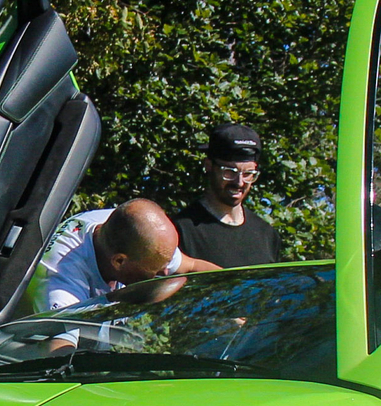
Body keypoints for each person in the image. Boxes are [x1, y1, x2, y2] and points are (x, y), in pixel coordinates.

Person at [28, 198, 219, 316]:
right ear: (119, 261)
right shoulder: (59, 281)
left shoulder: (135, 230)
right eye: (156, 269)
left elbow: (192, 266)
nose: (166, 272)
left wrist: (241, 302)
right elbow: (60, 351)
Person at [173, 123, 287, 268]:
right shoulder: (181, 230)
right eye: (229, 172)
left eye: (248, 174)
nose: (239, 182)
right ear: (209, 166)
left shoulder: (267, 235)